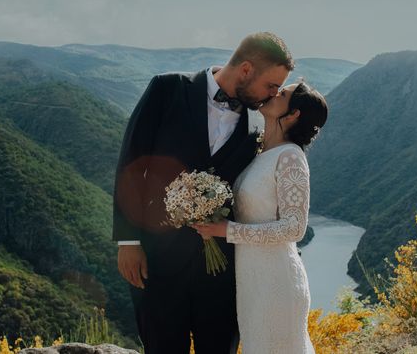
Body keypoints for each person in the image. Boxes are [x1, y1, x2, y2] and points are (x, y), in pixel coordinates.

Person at [112, 32, 294, 354]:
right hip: (157, 260)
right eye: (271, 86)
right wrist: (128, 241)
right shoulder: (166, 88)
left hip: (222, 271)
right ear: (246, 69)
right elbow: (131, 162)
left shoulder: (257, 124)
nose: (273, 95)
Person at [192, 80, 328, 354]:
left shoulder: (290, 158)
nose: (274, 93)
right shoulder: (260, 152)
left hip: (277, 279)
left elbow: (295, 228)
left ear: (293, 115)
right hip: (250, 277)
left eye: (283, 94)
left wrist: (227, 230)